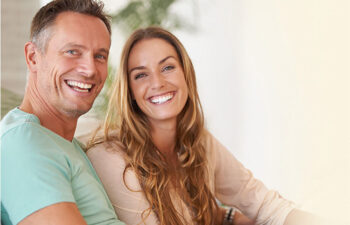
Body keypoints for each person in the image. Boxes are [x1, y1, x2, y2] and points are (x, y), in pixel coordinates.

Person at [87, 27, 327, 225]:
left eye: (168, 67)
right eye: (141, 75)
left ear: (185, 74)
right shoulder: (112, 158)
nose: (157, 82)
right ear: (130, 92)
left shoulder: (197, 141)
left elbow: (264, 204)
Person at [1, 0, 126, 225]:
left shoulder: (65, 144)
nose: (89, 69)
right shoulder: (24, 141)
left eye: (100, 56)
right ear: (33, 57)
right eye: (72, 52)